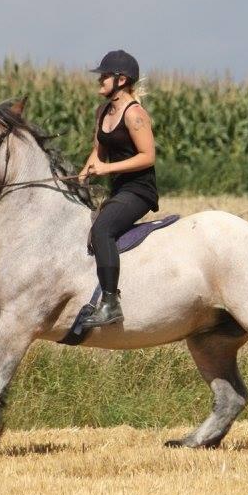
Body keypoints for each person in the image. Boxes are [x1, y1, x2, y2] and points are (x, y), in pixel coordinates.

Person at [77, 50, 159, 327]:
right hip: (119, 190)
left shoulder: (134, 114)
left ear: (121, 79)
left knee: (102, 229)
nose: (99, 79)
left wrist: (107, 169)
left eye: (104, 75)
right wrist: (86, 171)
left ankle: (111, 303)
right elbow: (97, 151)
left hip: (139, 191)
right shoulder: (103, 111)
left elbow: (147, 156)